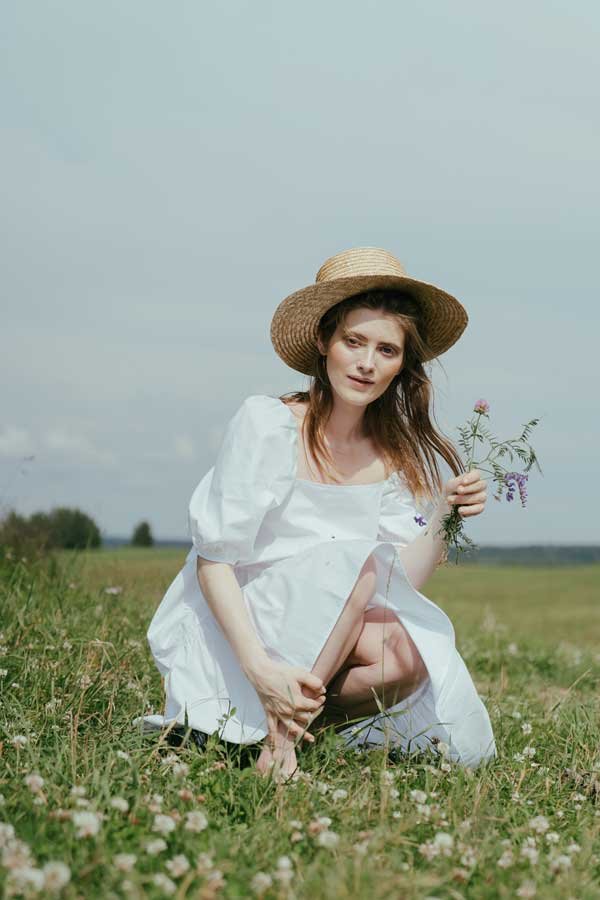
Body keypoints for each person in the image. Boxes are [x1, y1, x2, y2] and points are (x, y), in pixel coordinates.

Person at [135, 246, 496, 781]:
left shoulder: (390, 457)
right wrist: (259, 668)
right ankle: (276, 739)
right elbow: (215, 561)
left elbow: (393, 583)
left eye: (386, 350)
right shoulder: (269, 424)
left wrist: (447, 512)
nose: (367, 363)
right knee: (358, 564)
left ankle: (286, 729)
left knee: (406, 651)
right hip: (240, 626)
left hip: (325, 631)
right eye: (354, 341)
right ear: (325, 342)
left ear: (401, 365)